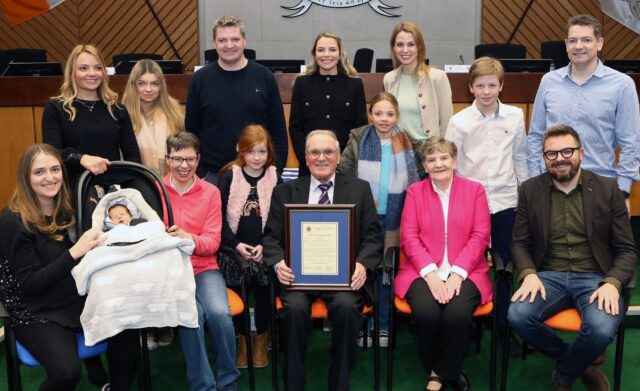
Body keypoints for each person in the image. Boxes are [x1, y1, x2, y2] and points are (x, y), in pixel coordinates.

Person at [0, 144, 140, 391]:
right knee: (67, 373)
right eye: (39, 172)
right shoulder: (12, 221)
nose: (50, 177)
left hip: (68, 296)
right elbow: (30, 285)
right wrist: (76, 251)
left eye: (55, 169)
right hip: (33, 310)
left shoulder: (64, 209)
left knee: (127, 323)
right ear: (25, 177)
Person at [508, 125, 637, 391]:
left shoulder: (607, 188)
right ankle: (581, 363)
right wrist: (529, 274)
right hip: (548, 276)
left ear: (580, 152)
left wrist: (613, 282)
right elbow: (519, 243)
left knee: (600, 328)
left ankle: (564, 374)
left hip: (596, 277)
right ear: (544, 158)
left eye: (566, 151)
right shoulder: (531, 190)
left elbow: (627, 249)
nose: (559, 158)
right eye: (551, 154)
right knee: (518, 316)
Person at [263, 130, 383, 391]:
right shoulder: (284, 191)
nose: (321, 158)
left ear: (338, 156)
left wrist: (362, 264)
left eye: (328, 152)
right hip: (298, 277)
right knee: (293, 310)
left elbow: (373, 237)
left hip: (344, 278)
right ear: (305, 157)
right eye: (315, 152)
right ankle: (293, 383)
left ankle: (339, 382)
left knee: (347, 308)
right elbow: (271, 238)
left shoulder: (359, 190)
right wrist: (277, 263)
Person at [445, 56, 529, 353]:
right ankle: (468, 326)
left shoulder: (515, 116)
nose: (486, 91)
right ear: (470, 88)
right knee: (468, 266)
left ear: (501, 85)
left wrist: (526, 197)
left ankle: (504, 328)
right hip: (471, 206)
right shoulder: (459, 122)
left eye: (492, 85)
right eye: (480, 85)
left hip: (506, 202)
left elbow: (520, 157)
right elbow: (450, 166)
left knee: (505, 268)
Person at [395, 137, 491, 391]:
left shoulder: (475, 190)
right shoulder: (415, 192)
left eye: (444, 157)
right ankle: (450, 371)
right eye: (431, 159)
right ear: (425, 166)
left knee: (456, 316)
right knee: (427, 315)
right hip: (421, 271)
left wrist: (458, 274)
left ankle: (437, 375)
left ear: (454, 161)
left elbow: (480, 235)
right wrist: (430, 274)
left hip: (468, 270)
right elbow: (409, 236)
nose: (438, 164)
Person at [527, 14, 640, 213]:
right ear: (566, 44)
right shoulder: (548, 82)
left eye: (586, 40)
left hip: (601, 190)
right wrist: (537, 183)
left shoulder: (622, 85)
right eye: (573, 40)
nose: (579, 46)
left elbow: (631, 144)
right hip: (552, 188)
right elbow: (536, 136)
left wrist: (622, 192)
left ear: (600, 43)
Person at [338, 91, 419, 347]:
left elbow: (418, 180)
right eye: (378, 113)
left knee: (386, 274)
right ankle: (363, 325)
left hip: (394, 219)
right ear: (370, 114)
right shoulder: (358, 138)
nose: (384, 119)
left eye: (390, 114)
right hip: (362, 219)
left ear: (397, 116)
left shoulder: (408, 142)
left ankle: (383, 325)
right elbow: (341, 170)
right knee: (362, 274)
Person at [163, 132, 240, 391]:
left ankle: (228, 382)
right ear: (167, 159)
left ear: (198, 160)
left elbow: (212, 244)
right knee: (191, 316)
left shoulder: (210, 192)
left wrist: (188, 238)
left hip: (204, 268)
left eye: (189, 159)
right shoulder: (155, 192)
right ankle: (203, 387)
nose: (184, 166)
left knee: (219, 313)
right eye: (177, 159)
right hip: (170, 271)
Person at [185, 15, 288, 185]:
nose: (229, 45)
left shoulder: (264, 77)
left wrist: (275, 169)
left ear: (244, 40)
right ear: (214, 42)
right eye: (222, 40)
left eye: (235, 39)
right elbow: (192, 131)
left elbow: (278, 131)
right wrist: (201, 173)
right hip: (212, 176)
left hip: (258, 174)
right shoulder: (200, 79)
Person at [218, 124, 281, 369]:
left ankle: (261, 338)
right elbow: (219, 217)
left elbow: (279, 218)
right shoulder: (229, 175)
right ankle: (244, 339)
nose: (257, 158)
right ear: (240, 150)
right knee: (241, 296)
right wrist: (235, 245)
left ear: (269, 153)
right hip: (234, 252)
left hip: (265, 249)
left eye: (262, 152)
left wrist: (266, 244)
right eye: (251, 151)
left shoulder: (274, 176)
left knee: (264, 296)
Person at [42, 44, 141, 185]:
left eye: (97, 68)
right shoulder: (56, 108)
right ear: (72, 73)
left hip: (114, 184)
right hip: (76, 185)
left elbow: (133, 156)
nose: (92, 73)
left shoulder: (118, 109)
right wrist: (81, 158)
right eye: (84, 68)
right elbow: (51, 153)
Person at [289, 31, 368, 176]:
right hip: (309, 168)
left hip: (345, 169)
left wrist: (344, 161)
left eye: (332, 49)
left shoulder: (354, 84)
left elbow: (360, 130)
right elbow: (296, 128)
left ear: (340, 54)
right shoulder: (302, 84)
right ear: (314, 54)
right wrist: (307, 159)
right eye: (321, 50)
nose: (326, 54)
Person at [384, 22, 453, 153]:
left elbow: (447, 122)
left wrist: (444, 152)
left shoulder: (437, 77)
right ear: (393, 48)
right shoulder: (389, 79)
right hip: (399, 152)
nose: (405, 50)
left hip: (430, 153)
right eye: (400, 45)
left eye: (411, 44)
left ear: (419, 47)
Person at [122, 59, 185, 178]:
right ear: (133, 86)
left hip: (173, 181)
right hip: (136, 181)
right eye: (141, 83)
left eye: (155, 84)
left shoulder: (174, 112)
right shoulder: (123, 113)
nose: (148, 89)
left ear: (161, 86)